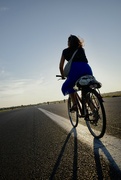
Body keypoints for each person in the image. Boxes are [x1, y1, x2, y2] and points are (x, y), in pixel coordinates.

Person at [59, 35, 93, 111]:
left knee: (68, 86)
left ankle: (75, 105)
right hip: (87, 69)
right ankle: (94, 111)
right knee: (86, 90)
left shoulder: (65, 51)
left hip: (75, 71)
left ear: (69, 42)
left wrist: (62, 75)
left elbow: (61, 66)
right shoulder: (81, 49)